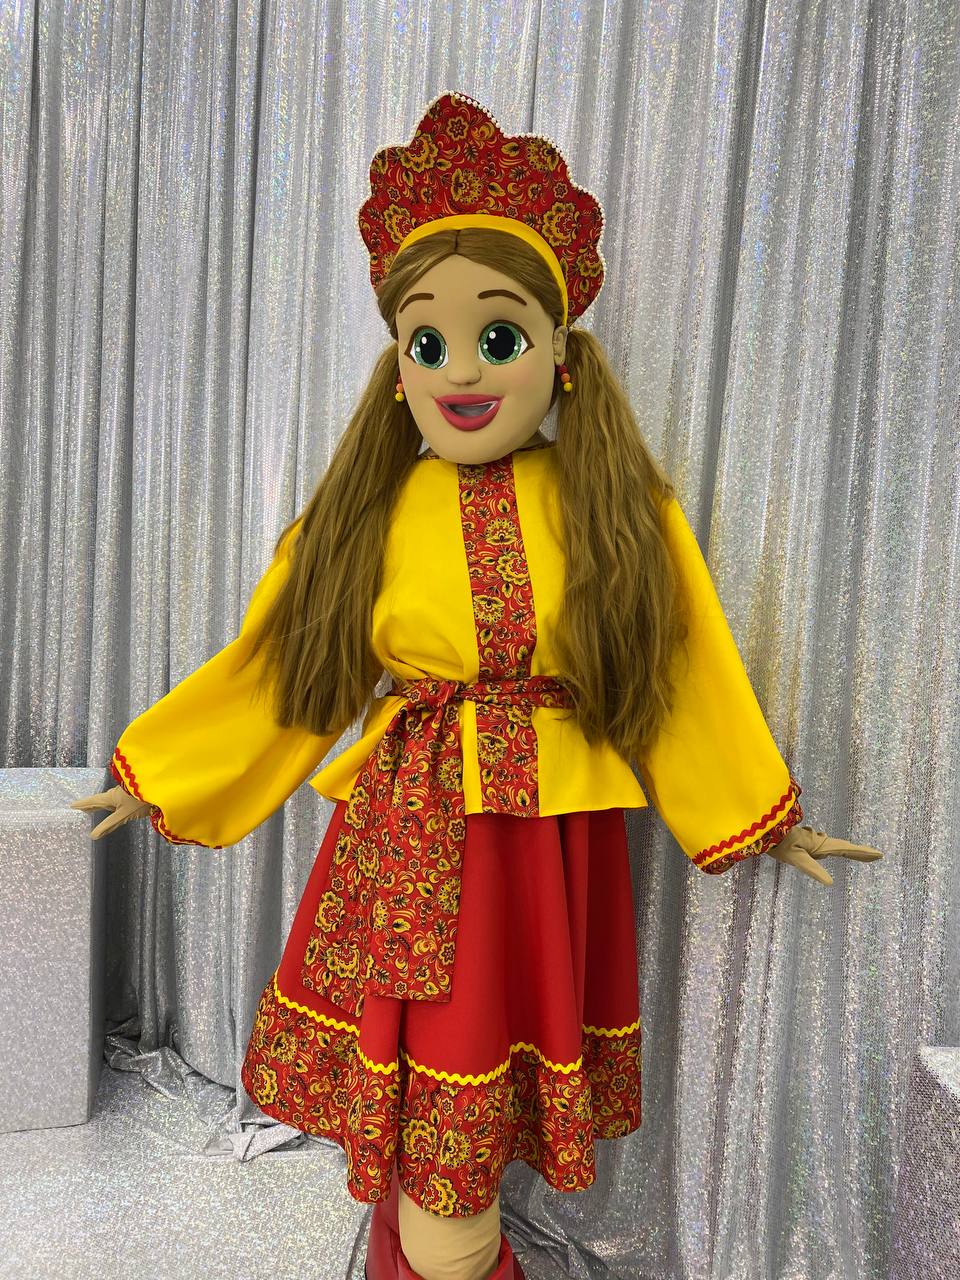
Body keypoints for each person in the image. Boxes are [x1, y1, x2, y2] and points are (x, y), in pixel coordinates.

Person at [72, 92, 883, 1280]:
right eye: (427, 342)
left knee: (462, 1140)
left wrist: (760, 809)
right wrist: (162, 769)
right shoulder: (369, 512)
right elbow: (284, 669)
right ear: (398, 367)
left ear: (559, 352)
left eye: (497, 338)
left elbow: (681, 668)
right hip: (403, 849)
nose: (459, 368)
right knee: (426, 1141)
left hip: (536, 852)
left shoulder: (614, 510)